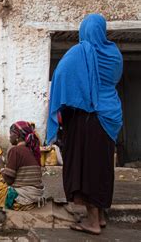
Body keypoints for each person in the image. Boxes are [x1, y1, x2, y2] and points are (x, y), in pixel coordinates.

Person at [47, 14, 123, 235]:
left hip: (90, 118)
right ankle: (98, 217)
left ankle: (91, 222)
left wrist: (67, 102)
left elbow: (60, 75)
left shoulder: (81, 52)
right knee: (102, 167)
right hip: (111, 115)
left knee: (87, 169)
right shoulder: (115, 54)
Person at [0, 121, 44, 211]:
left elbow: (9, 181)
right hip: (35, 194)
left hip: (21, 197)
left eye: (11, 134)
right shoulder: (32, 150)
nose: (9, 136)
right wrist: (0, 161)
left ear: (17, 136)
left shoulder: (15, 150)